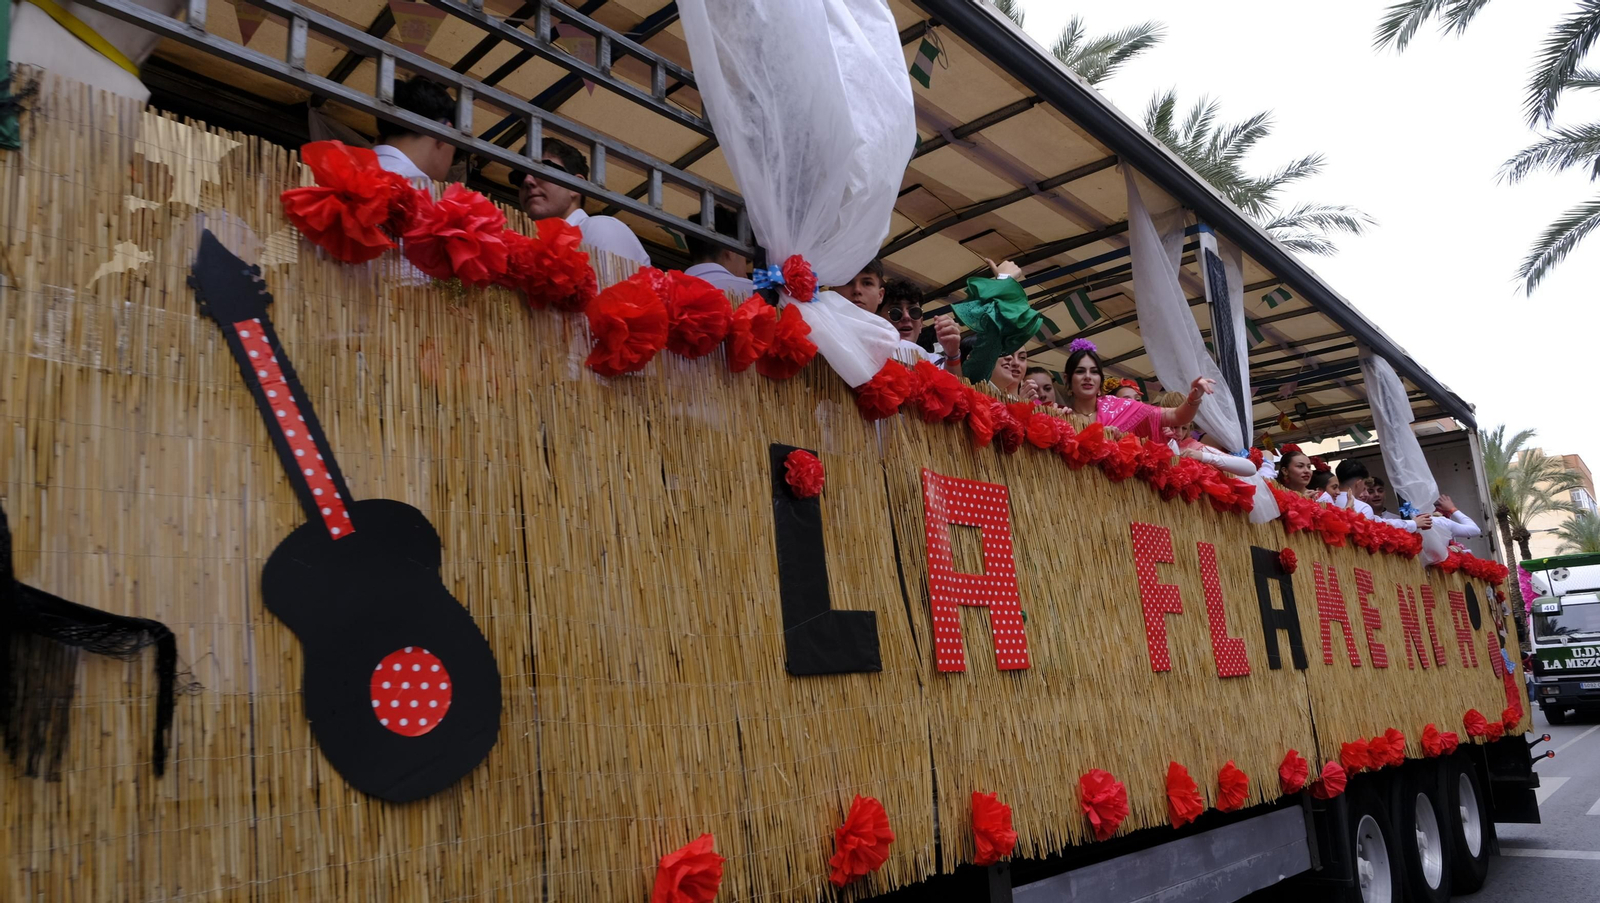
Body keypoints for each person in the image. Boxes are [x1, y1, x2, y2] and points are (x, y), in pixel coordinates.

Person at [520, 138, 650, 266]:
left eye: (541, 170)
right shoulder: (533, 251)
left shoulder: (598, 228)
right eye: (518, 176)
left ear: (575, 185)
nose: (527, 181)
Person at [1060, 340, 1214, 441]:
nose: (1088, 377)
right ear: (1067, 378)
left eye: (1094, 372)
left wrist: (1194, 397)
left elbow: (1176, 416)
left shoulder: (1121, 408)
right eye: (1080, 371)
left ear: (1100, 379)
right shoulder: (1060, 417)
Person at [372, 77, 459, 184]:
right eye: (453, 155)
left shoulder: (356, 164)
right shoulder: (420, 187)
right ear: (444, 134)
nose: (450, 164)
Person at [1153, 391, 1257, 477]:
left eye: (1184, 428)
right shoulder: (1150, 441)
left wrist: (1202, 456)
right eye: (1174, 427)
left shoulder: (1194, 448)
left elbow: (1250, 468)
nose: (1179, 433)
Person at [881, 281, 963, 375]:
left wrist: (952, 354)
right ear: (878, 318)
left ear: (920, 324)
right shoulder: (869, 356)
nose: (906, 316)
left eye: (914, 312)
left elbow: (953, 384)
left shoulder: (935, 363)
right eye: (895, 312)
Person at [683, 207, 754, 295]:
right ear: (732, 250)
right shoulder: (752, 292)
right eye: (745, 261)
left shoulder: (670, 290)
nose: (745, 275)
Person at [961, 335, 1029, 397]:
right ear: (973, 359)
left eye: (1022, 357)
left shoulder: (1035, 402)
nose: (1010, 357)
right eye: (999, 352)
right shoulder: (962, 398)